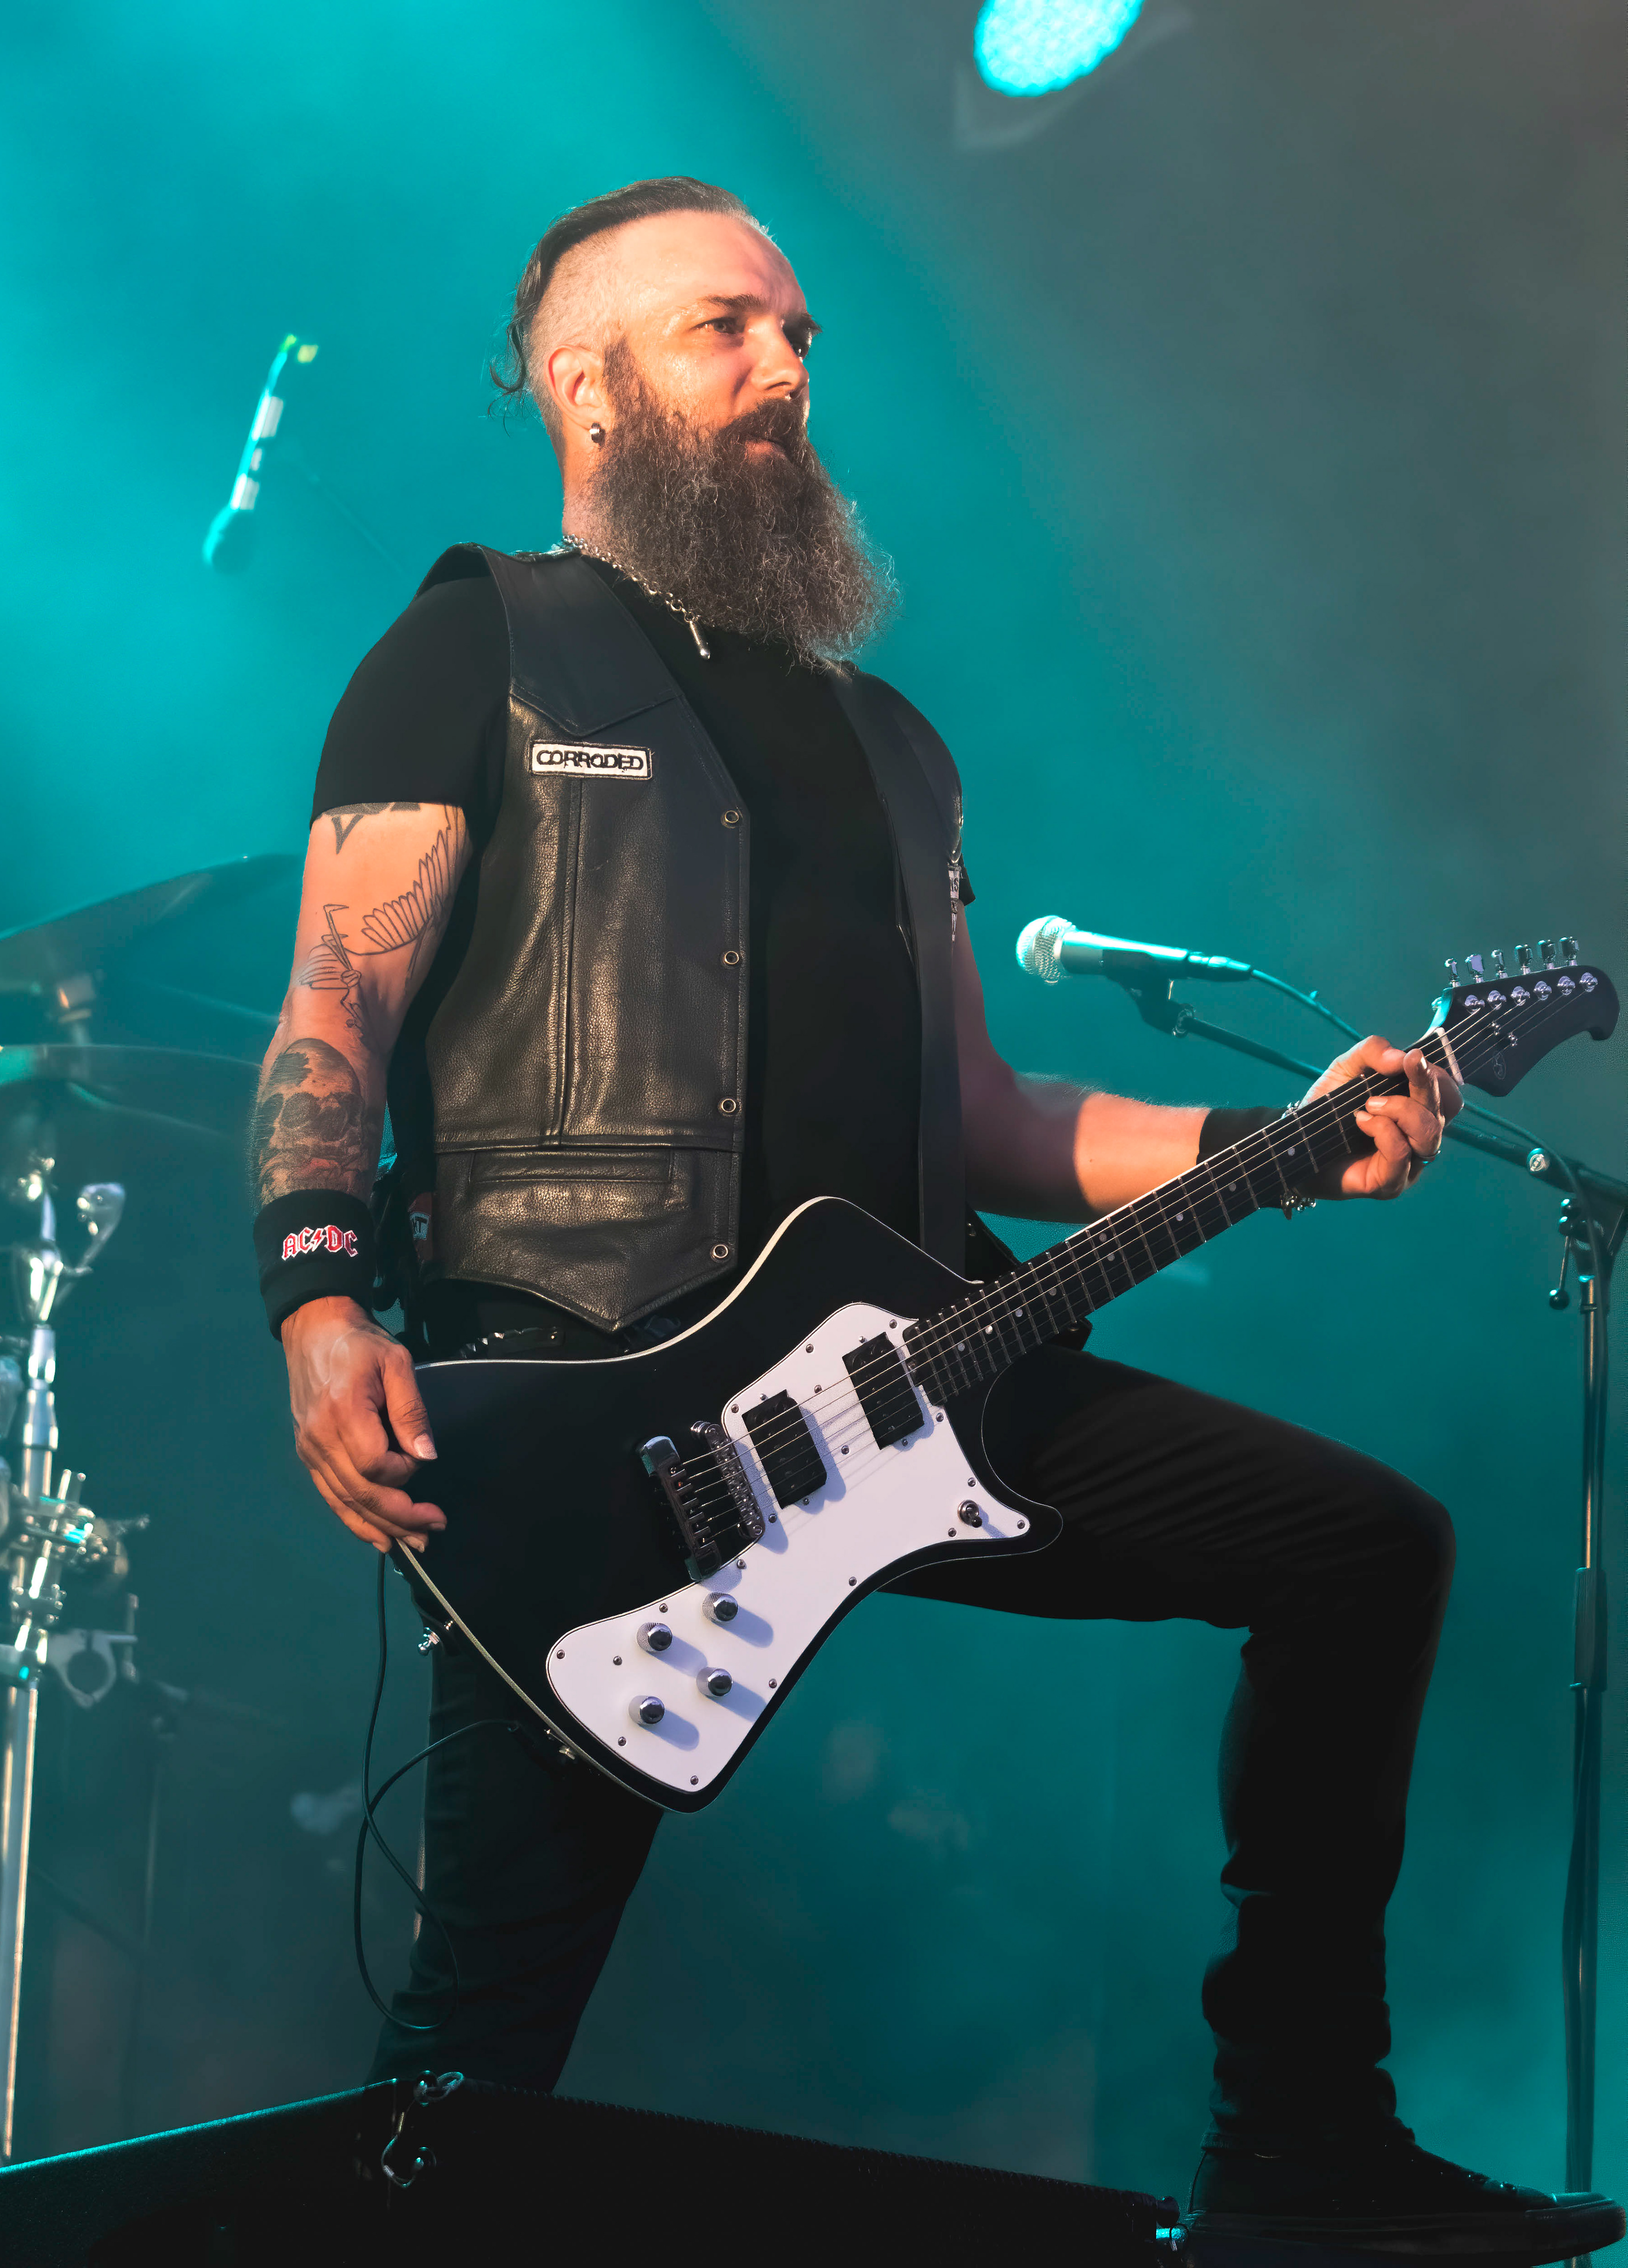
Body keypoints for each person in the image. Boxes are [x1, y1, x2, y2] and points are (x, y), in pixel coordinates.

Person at [246, 178, 1621, 2263]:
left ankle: (1301, 2144)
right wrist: (318, 1296)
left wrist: (1279, 1134)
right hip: (602, 1417)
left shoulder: (892, 747)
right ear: (588, 390)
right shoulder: (472, 650)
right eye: (725, 329)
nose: (784, 370)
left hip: (919, 1378)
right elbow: (332, 1014)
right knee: (476, 2053)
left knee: (1365, 1547)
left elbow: (983, 1115)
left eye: (800, 334)